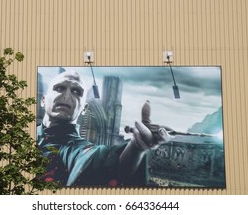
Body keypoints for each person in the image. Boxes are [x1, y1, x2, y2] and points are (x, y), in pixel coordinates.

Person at [37, 70, 169, 187]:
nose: (67, 96)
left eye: (76, 91)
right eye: (59, 88)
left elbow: (101, 160)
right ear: (43, 100)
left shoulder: (75, 150)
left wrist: (135, 148)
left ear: (84, 108)